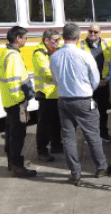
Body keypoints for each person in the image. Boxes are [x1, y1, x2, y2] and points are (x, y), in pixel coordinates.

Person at [50, 23, 111, 185]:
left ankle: (75, 173)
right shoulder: (85, 56)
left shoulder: (54, 56)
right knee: (92, 135)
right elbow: (94, 80)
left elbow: (55, 79)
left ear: (63, 37)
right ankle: (101, 168)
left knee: (69, 138)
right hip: (84, 100)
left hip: (64, 101)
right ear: (78, 37)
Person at [0, 26, 37, 178]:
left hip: (8, 101)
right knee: (18, 134)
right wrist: (22, 101)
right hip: (16, 102)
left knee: (11, 132)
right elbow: (14, 83)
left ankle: (11, 162)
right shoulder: (13, 56)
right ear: (18, 39)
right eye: (25, 38)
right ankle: (17, 166)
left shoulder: (6, 53)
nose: (26, 40)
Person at [79, 23, 111, 143]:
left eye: (95, 32)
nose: (92, 34)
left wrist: (108, 78)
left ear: (100, 33)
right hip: (89, 86)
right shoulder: (81, 45)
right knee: (89, 112)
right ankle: (89, 137)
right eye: (90, 31)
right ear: (87, 32)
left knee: (103, 111)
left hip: (103, 84)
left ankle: (104, 134)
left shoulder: (105, 43)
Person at [33, 29, 63, 162]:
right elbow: (47, 72)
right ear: (46, 40)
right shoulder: (39, 53)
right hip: (45, 94)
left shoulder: (55, 50)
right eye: (55, 40)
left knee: (57, 122)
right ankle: (42, 150)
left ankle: (56, 145)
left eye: (59, 40)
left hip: (56, 93)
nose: (58, 42)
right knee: (44, 124)